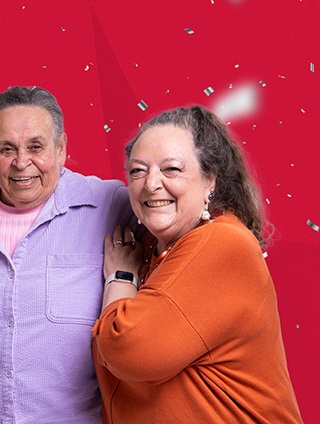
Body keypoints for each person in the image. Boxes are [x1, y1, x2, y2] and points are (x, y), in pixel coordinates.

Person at [92, 105, 303, 423]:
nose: (151, 184)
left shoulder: (220, 243)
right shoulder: (152, 249)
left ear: (210, 181)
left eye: (172, 169)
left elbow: (128, 353)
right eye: (137, 171)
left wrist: (120, 278)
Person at [0, 86, 133, 423]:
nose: (21, 162)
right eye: (7, 149)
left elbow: (182, 231)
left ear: (61, 149)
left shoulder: (110, 205)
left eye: (36, 147)